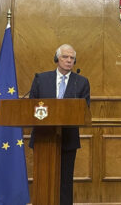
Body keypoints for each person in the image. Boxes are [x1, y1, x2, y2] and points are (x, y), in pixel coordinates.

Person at [29, 44, 90, 205]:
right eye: (65, 57)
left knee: (65, 181)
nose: (69, 61)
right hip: (43, 138)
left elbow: (85, 110)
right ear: (57, 59)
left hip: (68, 138)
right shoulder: (40, 79)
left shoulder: (81, 82)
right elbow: (31, 107)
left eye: (72, 58)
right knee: (43, 178)